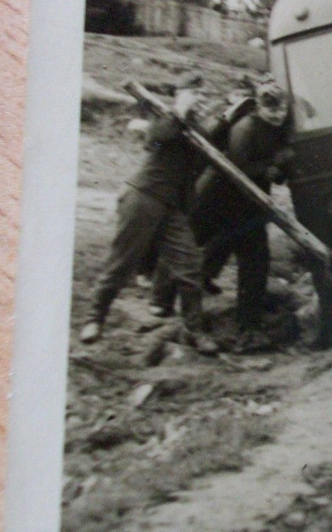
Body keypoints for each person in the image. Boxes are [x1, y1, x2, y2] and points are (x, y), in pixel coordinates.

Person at [79, 73, 219, 355]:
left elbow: (202, 157)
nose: (201, 99)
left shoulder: (198, 128)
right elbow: (155, 138)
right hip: (143, 198)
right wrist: (179, 111)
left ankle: (194, 330)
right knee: (121, 263)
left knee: (190, 266)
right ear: (181, 94)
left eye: (204, 94)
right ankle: (94, 319)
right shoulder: (165, 116)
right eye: (195, 93)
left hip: (173, 208)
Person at [182, 80, 294, 353]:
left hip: (250, 202)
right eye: (271, 111)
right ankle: (243, 330)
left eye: (281, 110)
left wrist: (278, 168)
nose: (278, 115)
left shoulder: (276, 126)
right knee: (252, 259)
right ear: (258, 107)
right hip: (227, 199)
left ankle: (237, 324)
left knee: (238, 255)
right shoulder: (245, 129)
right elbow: (239, 168)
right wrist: (273, 166)